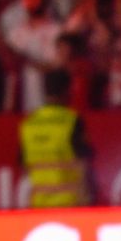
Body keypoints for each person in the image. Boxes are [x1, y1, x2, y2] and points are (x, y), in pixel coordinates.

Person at [19, 68, 92, 208]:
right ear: (66, 91)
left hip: (39, 205)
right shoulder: (71, 121)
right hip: (69, 204)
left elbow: (25, 168)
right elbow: (83, 164)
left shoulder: (29, 124)